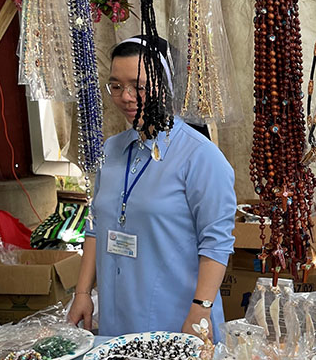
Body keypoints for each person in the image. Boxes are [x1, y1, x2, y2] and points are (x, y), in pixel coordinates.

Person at [67, 36, 236, 342]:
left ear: (165, 86)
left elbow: (216, 244)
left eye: (139, 86)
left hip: (178, 317)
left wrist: (200, 311)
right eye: (116, 86)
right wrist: (82, 293)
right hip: (117, 315)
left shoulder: (200, 156)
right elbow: (96, 227)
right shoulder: (112, 149)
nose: (127, 97)